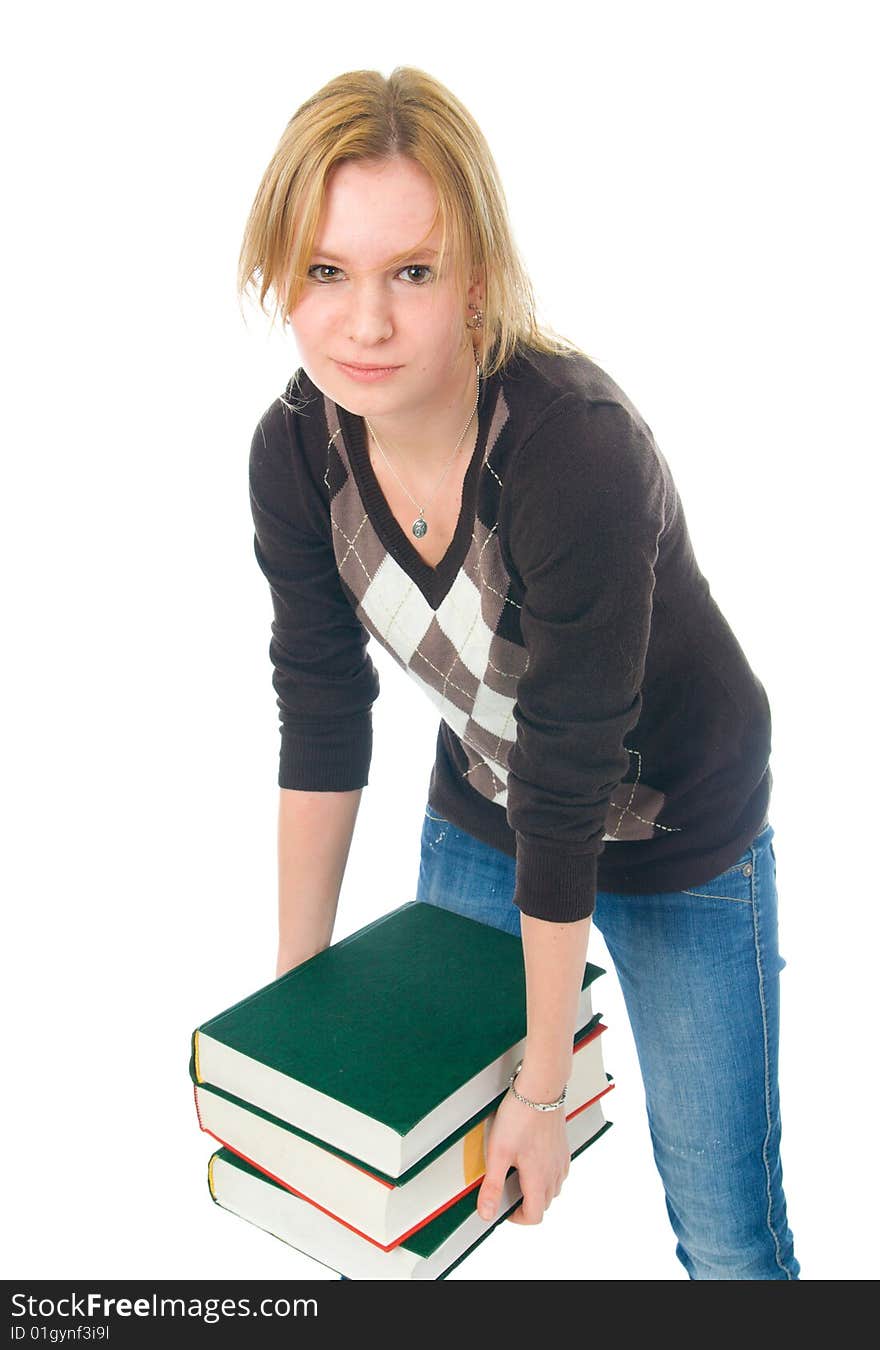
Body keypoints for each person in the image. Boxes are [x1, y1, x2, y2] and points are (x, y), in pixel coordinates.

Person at [238, 66, 799, 1280]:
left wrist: (542, 1091)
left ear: (478, 280)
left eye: (413, 272)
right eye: (326, 271)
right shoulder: (294, 453)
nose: (365, 323)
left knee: (724, 1229)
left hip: (678, 831)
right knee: (407, 1196)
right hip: (494, 811)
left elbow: (570, 772)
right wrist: (296, 1024)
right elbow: (323, 715)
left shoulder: (570, 453)